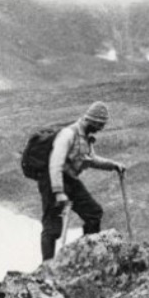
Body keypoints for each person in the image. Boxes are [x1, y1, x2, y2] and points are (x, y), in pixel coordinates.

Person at [38, 101, 126, 261]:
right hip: (52, 180)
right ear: (92, 121)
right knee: (52, 228)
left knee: (94, 213)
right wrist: (58, 192)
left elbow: (91, 159)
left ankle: (88, 254)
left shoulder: (85, 138)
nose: (101, 129)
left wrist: (113, 165)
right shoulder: (68, 134)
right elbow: (55, 163)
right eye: (100, 125)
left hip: (70, 180)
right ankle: (47, 266)